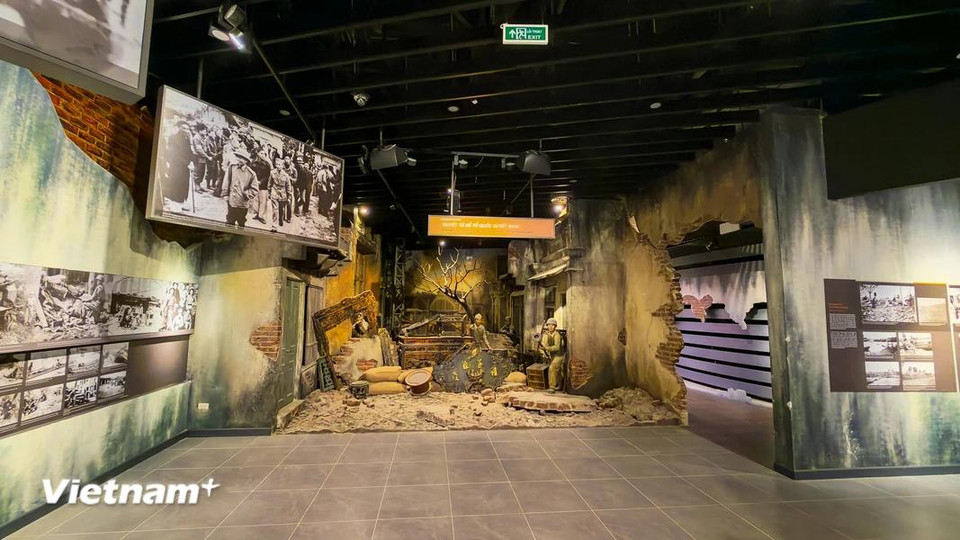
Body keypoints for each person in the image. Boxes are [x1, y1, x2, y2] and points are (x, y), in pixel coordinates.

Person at [224, 149, 258, 227]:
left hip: (243, 204)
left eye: (240, 158)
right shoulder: (232, 167)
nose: (238, 159)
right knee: (229, 221)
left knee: (241, 223)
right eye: (237, 157)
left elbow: (255, 189)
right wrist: (225, 194)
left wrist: (247, 193)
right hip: (232, 201)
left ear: (246, 161)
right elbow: (227, 181)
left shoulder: (251, 174)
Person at [539, 318, 564, 392]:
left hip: (559, 356)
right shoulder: (548, 334)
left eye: (552, 325)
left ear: (555, 326)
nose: (550, 327)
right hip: (553, 356)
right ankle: (559, 386)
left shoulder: (557, 335)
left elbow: (556, 347)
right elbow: (545, 344)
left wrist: (546, 348)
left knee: (552, 368)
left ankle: (552, 387)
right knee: (557, 371)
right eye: (549, 325)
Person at [268, 156, 292, 231]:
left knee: (281, 209)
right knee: (275, 209)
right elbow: (270, 182)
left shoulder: (286, 176)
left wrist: (289, 197)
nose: (278, 166)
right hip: (274, 192)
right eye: (277, 164)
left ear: (283, 166)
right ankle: (274, 226)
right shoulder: (272, 172)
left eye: (280, 165)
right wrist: (269, 192)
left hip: (283, 194)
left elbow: (288, 187)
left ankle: (280, 220)